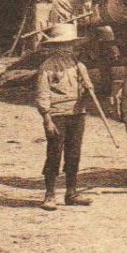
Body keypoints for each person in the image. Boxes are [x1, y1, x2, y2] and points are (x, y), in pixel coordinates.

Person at [34, 22, 93, 210]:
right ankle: (49, 195)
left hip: (77, 113)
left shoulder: (78, 65)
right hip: (57, 115)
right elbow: (43, 93)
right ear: (55, 46)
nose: (67, 48)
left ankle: (71, 193)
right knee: (54, 154)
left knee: (74, 153)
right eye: (62, 44)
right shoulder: (47, 67)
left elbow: (87, 87)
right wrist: (47, 118)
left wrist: (88, 88)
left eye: (70, 44)